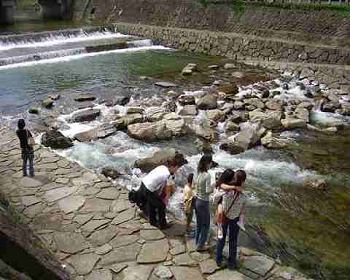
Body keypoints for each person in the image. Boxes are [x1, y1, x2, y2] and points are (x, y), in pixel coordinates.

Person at [138, 153, 187, 229]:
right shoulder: (167, 175)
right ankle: (163, 225)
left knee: (153, 203)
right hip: (148, 189)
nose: (177, 170)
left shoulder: (162, 167)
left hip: (143, 184)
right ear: (175, 167)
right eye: (177, 168)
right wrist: (166, 200)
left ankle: (153, 221)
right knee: (161, 206)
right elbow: (167, 190)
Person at [216, 170, 247, 270]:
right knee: (233, 241)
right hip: (235, 219)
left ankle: (218, 260)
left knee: (221, 238)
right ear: (243, 181)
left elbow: (217, 193)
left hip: (224, 217)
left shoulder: (226, 190)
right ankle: (232, 263)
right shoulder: (244, 196)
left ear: (234, 178)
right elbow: (243, 210)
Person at [194, 154, 215, 251]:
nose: (211, 164)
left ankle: (197, 241)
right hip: (203, 202)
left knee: (199, 224)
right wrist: (214, 186)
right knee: (206, 225)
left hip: (197, 200)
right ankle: (200, 246)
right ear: (207, 163)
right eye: (210, 162)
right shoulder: (207, 175)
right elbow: (207, 191)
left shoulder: (199, 172)